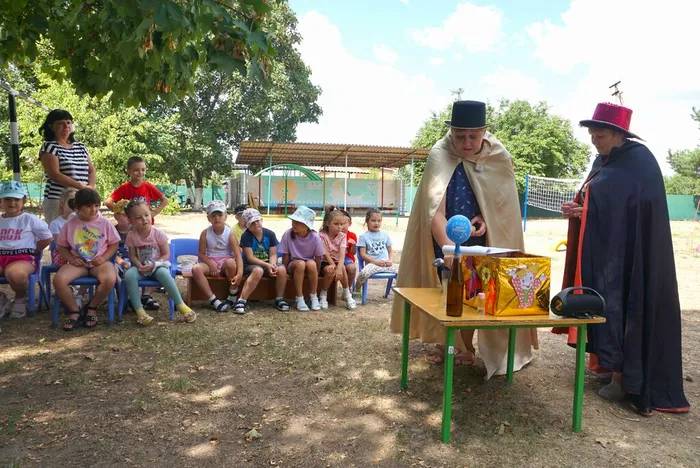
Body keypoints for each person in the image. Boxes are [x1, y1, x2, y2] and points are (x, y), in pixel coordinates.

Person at [555, 102, 689, 415]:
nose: (594, 142)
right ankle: (610, 363)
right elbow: (599, 198)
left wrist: (590, 208)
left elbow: (631, 208)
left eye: (600, 136)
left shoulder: (640, 161)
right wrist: (580, 208)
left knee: (627, 303)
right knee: (607, 301)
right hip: (608, 249)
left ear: (619, 134)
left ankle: (626, 378)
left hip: (633, 254)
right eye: (592, 135)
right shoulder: (604, 160)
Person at [390, 100, 537, 379]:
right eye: (460, 136)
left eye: (473, 136)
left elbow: (501, 203)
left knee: (474, 289)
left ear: (484, 132)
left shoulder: (497, 155)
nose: (467, 143)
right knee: (447, 287)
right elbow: (433, 210)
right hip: (445, 235)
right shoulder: (440, 154)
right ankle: (447, 343)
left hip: (480, 239)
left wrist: (484, 217)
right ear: (452, 133)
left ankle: (466, 346)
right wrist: (449, 249)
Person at [54, 188, 120, 331]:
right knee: (59, 280)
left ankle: (91, 307)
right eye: (88, 206)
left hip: (99, 262)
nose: (94, 209)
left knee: (110, 278)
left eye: (96, 205)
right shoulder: (70, 224)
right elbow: (62, 246)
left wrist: (104, 258)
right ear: (77, 207)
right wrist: (71, 259)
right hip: (79, 263)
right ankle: (74, 310)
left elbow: (114, 244)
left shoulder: (104, 222)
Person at [123, 201, 196, 325]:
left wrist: (154, 265)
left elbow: (166, 254)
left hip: (157, 266)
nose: (144, 219)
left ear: (150, 214)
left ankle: (182, 306)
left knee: (163, 273)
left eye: (146, 215)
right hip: (141, 268)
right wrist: (139, 265)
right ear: (131, 221)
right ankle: (140, 312)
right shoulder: (132, 235)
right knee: (129, 274)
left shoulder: (158, 233)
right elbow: (133, 256)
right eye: (138, 217)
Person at [0, 181, 53, 319]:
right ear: (1, 201)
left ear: (23, 201)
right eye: (7, 199)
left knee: (16, 274)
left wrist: (36, 250)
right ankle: (2, 299)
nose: (12, 203)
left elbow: (47, 237)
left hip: (22, 258)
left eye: (16, 199)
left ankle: (20, 298)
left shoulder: (30, 219)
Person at [38, 109, 96, 224]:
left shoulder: (81, 146)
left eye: (68, 122)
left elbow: (91, 170)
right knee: (59, 231)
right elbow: (55, 175)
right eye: (60, 123)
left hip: (83, 198)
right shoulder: (49, 147)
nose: (66, 126)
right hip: (58, 199)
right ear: (51, 126)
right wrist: (81, 186)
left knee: (84, 231)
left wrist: (90, 188)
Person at [191, 200, 243, 312]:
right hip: (210, 261)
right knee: (196, 269)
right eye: (213, 216)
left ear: (225, 216)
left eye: (220, 215)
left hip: (225, 263)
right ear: (208, 218)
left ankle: (233, 292)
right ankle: (213, 300)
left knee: (231, 263)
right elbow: (201, 254)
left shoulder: (230, 233)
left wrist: (239, 274)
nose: (217, 218)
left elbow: (238, 255)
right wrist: (210, 264)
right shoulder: (205, 233)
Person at [238, 208, 290, 312]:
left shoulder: (270, 234)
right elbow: (250, 258)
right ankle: (242, 300)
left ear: (261, 220)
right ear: (247, 225)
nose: (255, 224)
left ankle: (279, 298)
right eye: (252, 223)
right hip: (250, 265)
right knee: (258, 270)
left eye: (257, 221)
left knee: (282, 269)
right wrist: (267, 266)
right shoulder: (246, 236)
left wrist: (273, 265)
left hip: (268, 264)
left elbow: (273, 254)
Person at [277, 206, 324, 312]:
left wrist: (317, 272)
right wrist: (285, 270)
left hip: (309, 266)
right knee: (300, 264)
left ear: (307, 225)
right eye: (294, 221)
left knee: (311, 263)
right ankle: (299, 297)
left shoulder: (315, 237)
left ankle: (314, 296)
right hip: (294, 265)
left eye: (298, 222)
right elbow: (285, 255)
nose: (294, 224)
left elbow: (318, 258)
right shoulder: (288, 234)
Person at [105, 156, 168, 225]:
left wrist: (154, 212)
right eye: (136, 170)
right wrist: (121, 213)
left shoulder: (148, 186)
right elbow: (108, 202)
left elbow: (164, 200)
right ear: (128, 171)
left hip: (146, 224)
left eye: (143, 170)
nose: (140, 172)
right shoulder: (124, 187)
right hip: (131, 225)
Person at [318, 207, 356, 310]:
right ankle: (323, 294)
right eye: (336, 224)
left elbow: (342, 254)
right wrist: (333, 265)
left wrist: (339, 267)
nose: (340, 227)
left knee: (342, 268)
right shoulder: (321, 236)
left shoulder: (343, 236)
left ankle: (347, 294)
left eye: (342, 224)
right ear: (327, 223)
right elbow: (325, 253)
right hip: (324, 262)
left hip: (337, 261)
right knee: (331, 270)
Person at [356, 209, 399, 286]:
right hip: (372, 265)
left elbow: (390, 251)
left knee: (403, 271)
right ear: (367, 221)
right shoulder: (363, 237)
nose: (376, 223)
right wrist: (375, 262)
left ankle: (398, 288)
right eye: (373, 221)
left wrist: (390, 260)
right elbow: (363, 254)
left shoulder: (385, 235)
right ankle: (357, 289)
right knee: (362, 274)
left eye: (379, 221)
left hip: (386, 264)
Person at [340, 209, 358, 289]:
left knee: (352, 269)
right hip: (335, 257)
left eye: (344, 223)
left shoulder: (352, 235)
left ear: (349, 224)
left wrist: (354, 245)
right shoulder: (334, 234)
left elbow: (353, 253)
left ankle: (347, 288)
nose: (341, 226)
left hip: (347, 258)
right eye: (339, 223)